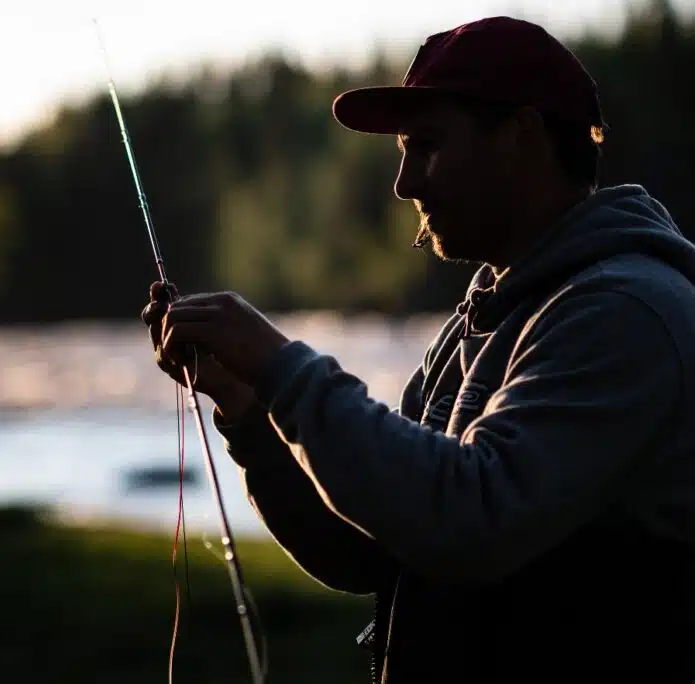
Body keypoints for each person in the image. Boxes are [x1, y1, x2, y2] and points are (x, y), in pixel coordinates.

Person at [142, 16, 695, 683]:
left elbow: (473, 518)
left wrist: (281, 367)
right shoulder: (484, 317)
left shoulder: (623, 314)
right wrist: (245, 406)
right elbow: (368, 548)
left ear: (521, 135)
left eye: (426, 146)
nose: (404, 184)